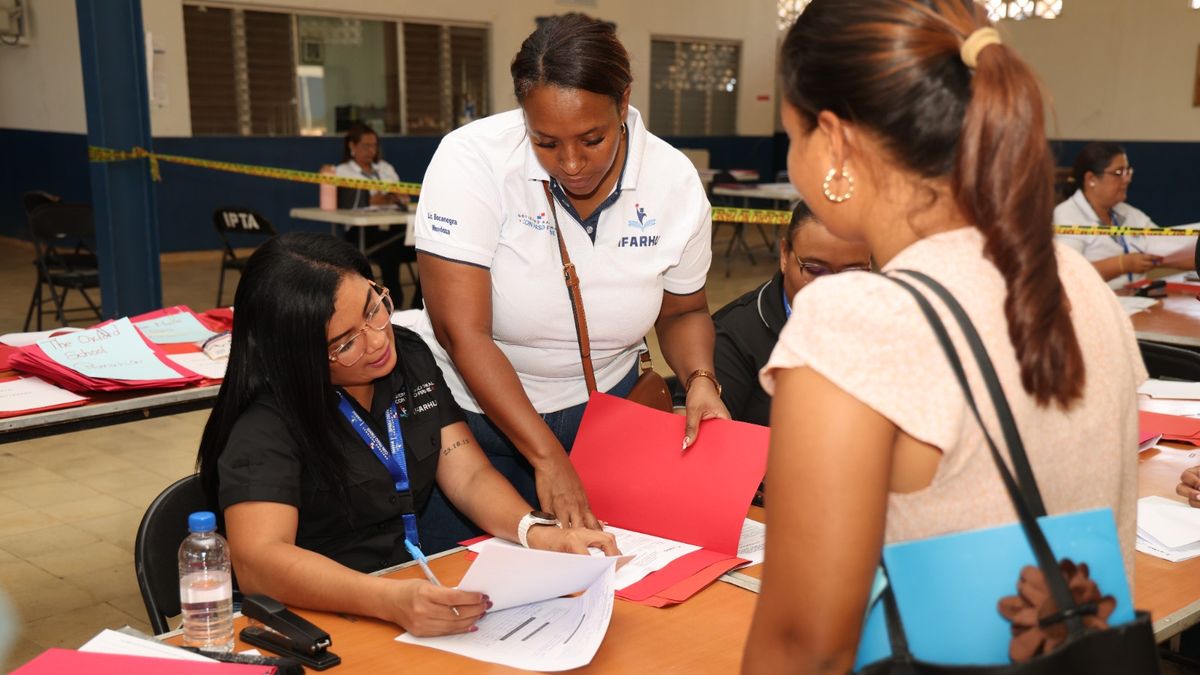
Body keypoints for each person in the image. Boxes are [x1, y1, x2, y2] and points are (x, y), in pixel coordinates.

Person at [742, 1, 1144, 671]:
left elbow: (804, 646)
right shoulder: (1076, 281)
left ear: (835, 140)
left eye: (792, 133)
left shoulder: (860, 320)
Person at [196, 232, 616, 637]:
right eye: (344, 344)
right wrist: (386, 599)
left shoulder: (408, 356)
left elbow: (467, 474)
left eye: (374, 307)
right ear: (298, 357)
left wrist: (539, 533)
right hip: (318, 615)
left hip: (406, 593)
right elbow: (259, 565)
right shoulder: (264, 425)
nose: (378, 339)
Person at [411, 13, 729, 547]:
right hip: (473, 420)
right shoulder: (472, 160)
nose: (572, 163)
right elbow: (460, 331)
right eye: (546, 142)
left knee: (620, 581)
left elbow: (685, 310)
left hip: (606, 416)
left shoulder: (672, 182)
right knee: (471, 588)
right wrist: (546, 456)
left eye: (592, 138)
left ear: (623, 101)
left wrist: (700, 378)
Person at [712, 201, 870, 427]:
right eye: (815, 269)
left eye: (854, 271)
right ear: (785, 255)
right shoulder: (733, 335)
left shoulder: (887, 324)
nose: (832, 287)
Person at [1054, 141, 1196, 289]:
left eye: (1128, 171)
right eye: (1118, 173)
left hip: (1137, 299)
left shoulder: (1126, 212)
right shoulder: (1066, 215)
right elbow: (1068, 273)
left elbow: (1165, 250)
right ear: (1091, 179)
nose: (1127, 179)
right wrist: (1122, 264)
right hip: (1094, 304)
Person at [331, 123, 422, 309]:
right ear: (352, 146)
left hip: (394, 227)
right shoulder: (342, 172)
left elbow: (402, 196)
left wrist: (382, 197)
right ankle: (393, 301)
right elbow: (357, 202)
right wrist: (382, 197)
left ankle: (417, 304)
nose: (371, 150)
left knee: (424, 249)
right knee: (391, 252)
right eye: (366, 146)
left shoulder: (385, 168)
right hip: (362, 232)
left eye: (374, 145)